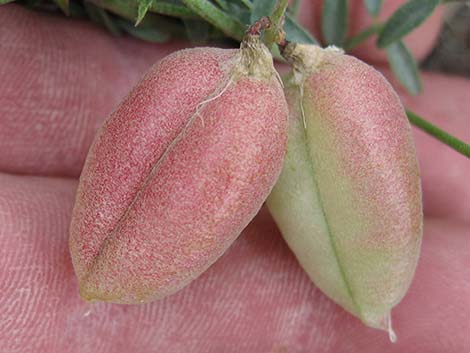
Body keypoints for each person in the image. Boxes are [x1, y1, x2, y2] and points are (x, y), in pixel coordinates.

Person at [0, 3, 469, 352]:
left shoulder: (271, 103)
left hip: (266, 76)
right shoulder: (243, 98)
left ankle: (375, 307)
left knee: (372, 287)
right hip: (251, 74)